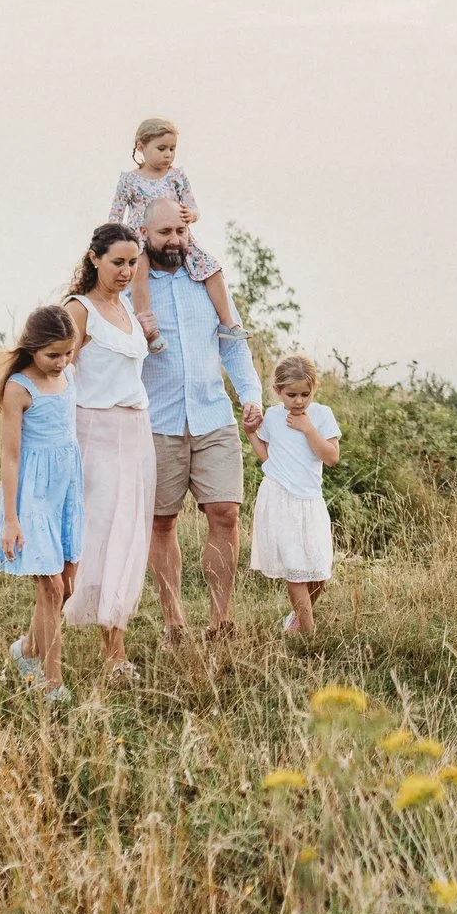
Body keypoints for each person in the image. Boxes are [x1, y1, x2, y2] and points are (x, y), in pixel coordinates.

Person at [138, 198, 264, 639]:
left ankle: (219, 620)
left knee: (226, 512)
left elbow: (232, 343)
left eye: (180, 232)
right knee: (161, 521)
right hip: (157, 421)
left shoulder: (208, 281)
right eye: (164, 233)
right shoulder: (132, 286)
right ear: (145, 235)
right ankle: (174, 621)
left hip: (213, 416)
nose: (174, 241)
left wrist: (250, 394)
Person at [60, 223, 159, 682]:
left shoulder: (127, 310)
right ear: (94, 258)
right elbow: (56, 373)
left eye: (132, 263)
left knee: (128, 534)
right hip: (92, 431)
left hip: (134, 430)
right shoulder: (79, 311)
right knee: (89, 538)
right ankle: (40, 643)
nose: (125, 271)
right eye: (117, 262)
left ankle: (114, 650)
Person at [0, 306, 83, 703]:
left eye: (68, 353)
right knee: (50, 588)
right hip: (32, 497)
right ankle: (52, 684)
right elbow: (11, 458)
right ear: (32, 349)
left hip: (66, 490)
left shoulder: (68, 376)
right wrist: (11, 519)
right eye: (52, 355)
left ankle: (27, 648)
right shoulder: (18, 389)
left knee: (66, 587)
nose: (61, 362)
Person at [108, 117, 243, 331]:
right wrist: (117, 243)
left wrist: (191, 215)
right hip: (141, 238)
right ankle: (146, 325)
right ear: (141, 147)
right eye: (161, 148)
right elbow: (116, 215)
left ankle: (228, 322)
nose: (168, 154)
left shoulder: (176, 176)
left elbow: (193, 207)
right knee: (139, 270)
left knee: (211, 266)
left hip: (177, 237)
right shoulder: (129, 180)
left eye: (172, 148)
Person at [250, 353, 340, 636]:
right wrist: (250, 433)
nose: (299, 401)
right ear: (278, 391)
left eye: (305, 394)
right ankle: (310, 636)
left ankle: (297, 619)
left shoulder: (322, 415)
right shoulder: (273, 417)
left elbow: (332, 457)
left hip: (310, 501)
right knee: (296, 570)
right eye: (291, 395)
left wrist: (308, 428)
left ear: (314, 388)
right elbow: (267, 458)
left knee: (319, 571)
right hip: (279, 497)